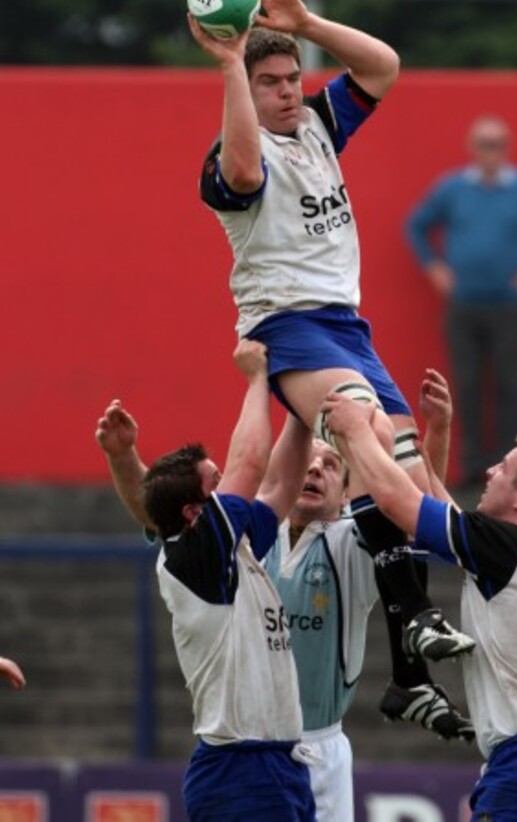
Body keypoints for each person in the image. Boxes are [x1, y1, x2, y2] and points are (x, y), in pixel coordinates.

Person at [189, 0, 474, 666]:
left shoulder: (319, 123)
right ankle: (422, 612)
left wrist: (308, 23)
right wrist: (230, 63)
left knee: (400, 462)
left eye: (293, 78)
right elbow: (249, 169)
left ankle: (412, 656)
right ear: (247, 91)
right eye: (272, 82)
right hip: (286, 325)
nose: (289, 90)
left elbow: (384, 66)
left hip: (348, 328)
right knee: (359, 426)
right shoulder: (229, 160)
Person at [96, 373, 474, 822]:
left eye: (332, 464)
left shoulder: (355, 541)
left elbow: (412, 508)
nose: (314, 469)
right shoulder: (247, 535)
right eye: (308, 461)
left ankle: (411, 678)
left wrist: (437, 433)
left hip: (319, 746)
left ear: (353, 489)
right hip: (248, 750)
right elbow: (165, 516)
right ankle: (412, 679)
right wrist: (123, 459)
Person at [320, 386, 517, 821]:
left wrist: (356, 431)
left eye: (504, 468)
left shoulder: (508, 546)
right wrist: (439, 430)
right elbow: (434, 506)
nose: (490, 471)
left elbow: (399, 502)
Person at [97, 339, 316, 822]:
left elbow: (280, 484)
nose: (230, 492)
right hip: (241, 771)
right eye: (215, 485)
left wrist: (304, 406)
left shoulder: (227, 548)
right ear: (196, 513)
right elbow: (251, 465)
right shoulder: (197, 554)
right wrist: (259, 380)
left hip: (280, 764)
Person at [405, 116, 517, 486]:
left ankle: (509, 466)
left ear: (507, 147)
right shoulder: (452, 189)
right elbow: (417, 225)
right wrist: (434, 267)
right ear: (472, 147)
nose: (490, 151)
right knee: (464, 385)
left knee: (510, 384)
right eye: (484, 143)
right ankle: (470, 467)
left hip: (509, 303)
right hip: (463, 302)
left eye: (497, 144)